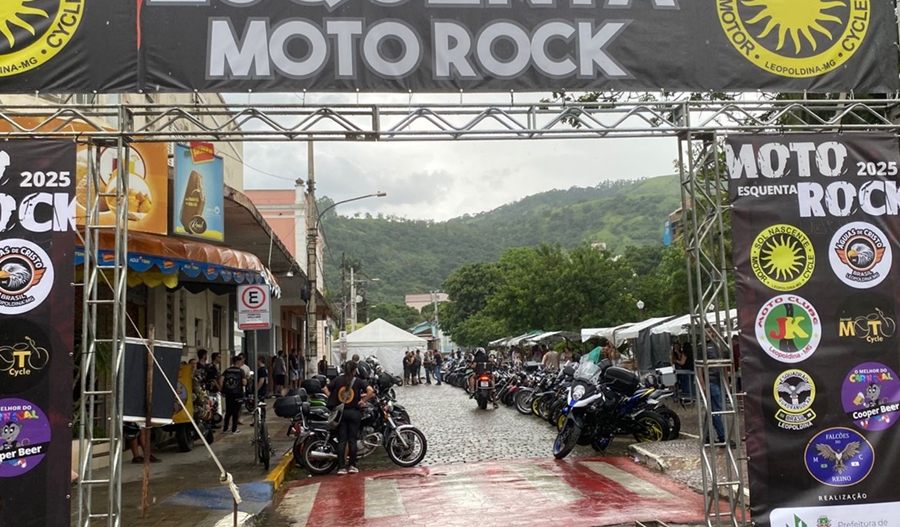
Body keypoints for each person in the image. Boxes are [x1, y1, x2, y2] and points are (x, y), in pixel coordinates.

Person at [323, 361, 374, 475]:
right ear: (355, 370)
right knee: (352, 440)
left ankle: (341, 467)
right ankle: (352, 466)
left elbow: (325, 388)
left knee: (342, 440)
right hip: (354, 412)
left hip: (341, 413)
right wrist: (363, 401)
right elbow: (370, 391)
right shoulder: (358, 381)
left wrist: (332, 398)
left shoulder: (338, 380)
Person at [700, 326, 730, 447]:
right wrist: (703, 383)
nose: (710, 334)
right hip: (711, 381)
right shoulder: (702, 347)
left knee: (711, 410)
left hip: (718, 380)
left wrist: (727, 382)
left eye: (712, 331)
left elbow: (723, 365)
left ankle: (707, 436)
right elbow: (699, 367)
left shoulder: (719, 346)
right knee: (716, 409)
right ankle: (722, 437)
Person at [220, 355, 247, 434]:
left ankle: (225, 428)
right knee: (236, 411)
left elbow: (221, 380)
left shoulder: (227, 370)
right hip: (237, 393)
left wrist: (222, 389)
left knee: (228, 411)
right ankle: (234, 429)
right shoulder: (241, 371)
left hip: (228, 393)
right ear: (238, 362)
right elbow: (244, 382)